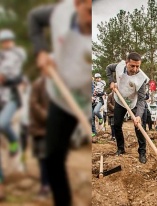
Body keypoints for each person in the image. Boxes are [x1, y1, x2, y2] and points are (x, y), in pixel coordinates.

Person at [28, 0, 92, 205]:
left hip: (87, 100)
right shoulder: (60, 14)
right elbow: (34, 19)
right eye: (89, 12)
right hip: (62, 97)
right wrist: (40, 51)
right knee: (53, 156)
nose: (92, 20)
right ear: (77, 4)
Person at [106, 52, 149, 164]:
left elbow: (141, 100)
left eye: (138, 66)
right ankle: (120, 148)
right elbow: (108, 69)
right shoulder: (119, 66)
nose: (135, 69)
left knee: (139, 127)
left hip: (133, 104)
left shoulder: (141, 79)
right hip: (120, 100)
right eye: (132, 66)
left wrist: (138, 115)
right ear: (126, 63)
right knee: (116, 125)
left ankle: (142, 153)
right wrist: (111, 81)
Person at [0, 28, 26, 200]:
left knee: (2, 124)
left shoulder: (16, 55)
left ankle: (14, 141)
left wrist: (6, 79)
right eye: (3, 42)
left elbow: (17, 78)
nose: (6, 44)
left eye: (8, 41)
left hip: (11, 99)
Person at [29, 73, 50, 199]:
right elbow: (33, 104)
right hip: (40, 128)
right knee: (43, 157)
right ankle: (45, 185)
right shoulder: (38, 84)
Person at [92, 73, 105, 138]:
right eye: (96, 78)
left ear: (100, 78)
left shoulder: (101, 83)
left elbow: (101, 92)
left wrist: (97, 94)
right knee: (92, 117)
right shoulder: (94, 84)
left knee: (95, 111)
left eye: (98, 78)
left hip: (99, 100)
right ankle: (93, 132)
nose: (97, 79)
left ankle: (101, 118)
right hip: (94, 101)